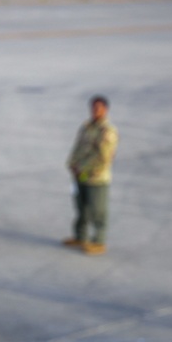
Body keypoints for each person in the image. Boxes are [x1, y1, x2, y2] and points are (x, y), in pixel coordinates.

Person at [62, 95, 119, 256]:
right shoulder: (86, 127)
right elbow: (77, 147)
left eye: (99, 108)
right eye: (94, 108)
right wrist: (71, 164)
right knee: (81, 207)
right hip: (81, 175)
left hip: (97, 178)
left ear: (106, 110)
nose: (96, 111)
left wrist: (84, 169)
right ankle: (80, 236)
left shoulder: (107, 131)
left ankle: (98, 241)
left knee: (98, 210)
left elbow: (104, 157)